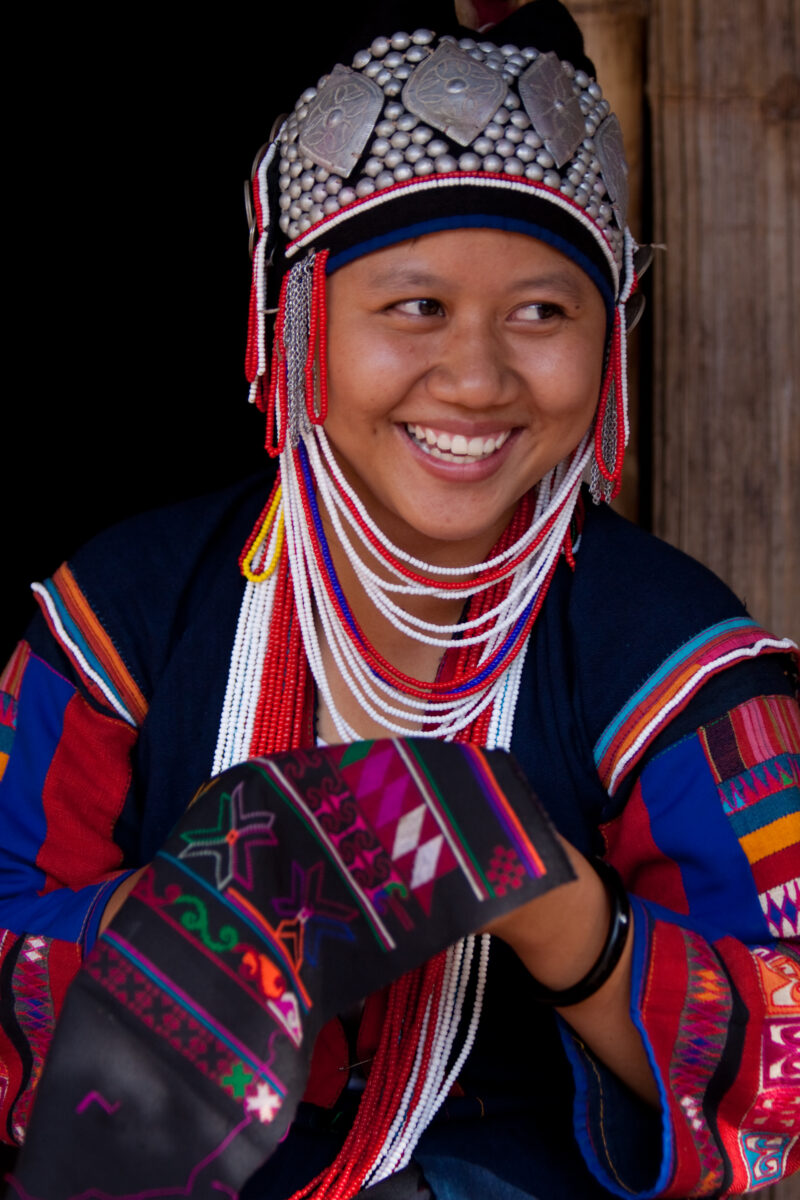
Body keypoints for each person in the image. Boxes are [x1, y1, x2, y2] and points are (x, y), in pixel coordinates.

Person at [1, 5, 798, 1198]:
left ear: (609, 336)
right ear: (297, 320)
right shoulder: (124, 609)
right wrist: (243, 907)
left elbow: (783, 1058)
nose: (475, 377)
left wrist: (556, 910)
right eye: (414, 306)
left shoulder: (674, 656)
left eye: (542, 312)